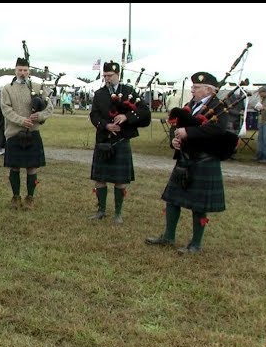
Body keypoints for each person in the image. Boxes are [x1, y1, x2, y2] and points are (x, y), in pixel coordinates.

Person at [146, 71, 230, 254]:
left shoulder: (219, 107)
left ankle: (196, 244)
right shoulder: (189, 105)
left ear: (209, 90)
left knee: (199, 205)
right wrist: (174, 141)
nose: (193, 90)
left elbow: (218, 129)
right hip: (185, 158)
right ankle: (168, 236)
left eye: (196, 87)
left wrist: (189, 133)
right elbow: (176, 125)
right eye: (193, 87)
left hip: (205, 160)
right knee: (172, 199)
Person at [89, 61, 151, 224]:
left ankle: (118, 213)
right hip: (103, 140)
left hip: (121, 140)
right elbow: (94, 115)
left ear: (118, 75)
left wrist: (127, 117)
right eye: (105, 76)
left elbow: (144, 112)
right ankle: (101, 210)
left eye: (110, 76)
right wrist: (105, 125)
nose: (107, 79)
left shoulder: (129, 91)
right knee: (100, 178)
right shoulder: (99, 94)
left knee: (120, 180)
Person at [0, 57, 53, 210]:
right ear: (15, 70)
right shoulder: (7, 89)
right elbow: (6, 109)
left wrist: (40, 116)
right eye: (20, 70)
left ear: (29, 71)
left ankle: (30, 197)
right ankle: (16, 196)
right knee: (14, 167)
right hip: (15, 133)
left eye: (25, 70)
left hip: (33, 133)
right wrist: (21, 120)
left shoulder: (38, 87)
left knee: (32, 167)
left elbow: (49, 107)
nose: (22, 73)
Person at [253, 86, 266, 163]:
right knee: (260, 139)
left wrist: (263, 108)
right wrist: (255, 107)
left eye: (260, 92)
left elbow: (265, 108)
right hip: (261, 121)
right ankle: (259, 155)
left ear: (265, 92)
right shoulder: (262, 99)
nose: (259, 94)